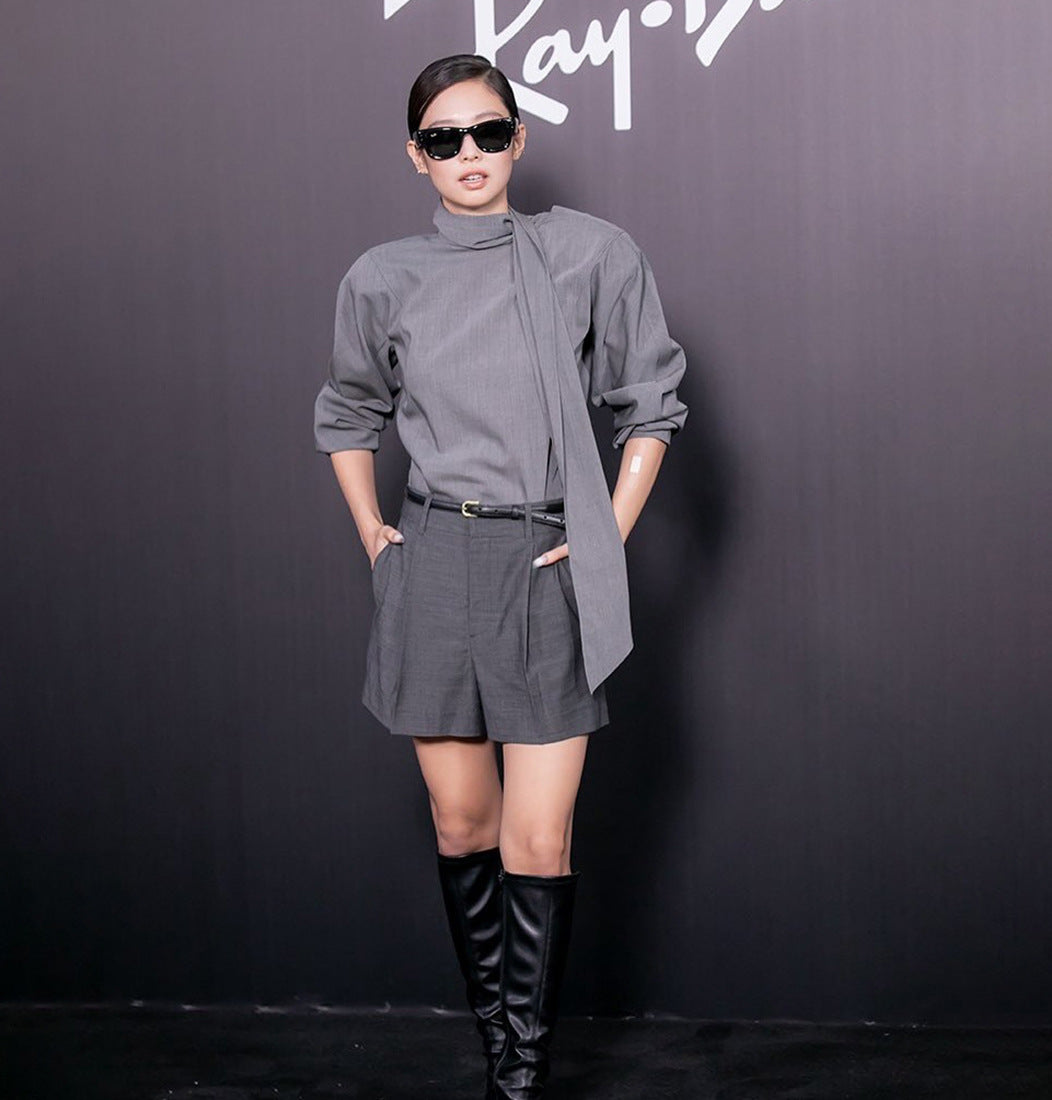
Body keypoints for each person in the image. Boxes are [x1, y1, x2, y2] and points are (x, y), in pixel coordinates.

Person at [313, 53, 688, 1100]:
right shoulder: (381, 276)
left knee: (537, 833)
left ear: (517, 140)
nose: (468, 153)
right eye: (444, 139)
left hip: (545, 558)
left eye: (487, 133)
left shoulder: (590, 253)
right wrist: (373, 531)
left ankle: (520, 1077)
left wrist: (606, 532)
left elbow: (650, 404)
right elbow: (348, 412)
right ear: (416, 156)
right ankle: (499, 1043)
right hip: (435, 556)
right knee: (462, 825)